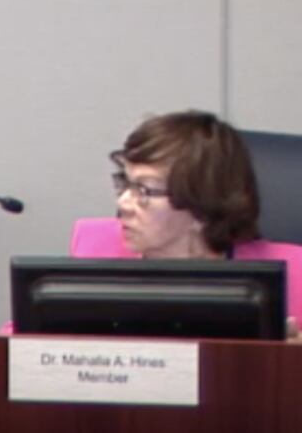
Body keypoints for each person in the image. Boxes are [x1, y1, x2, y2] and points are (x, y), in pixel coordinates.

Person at [70, 109, 302, 333]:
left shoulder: (294, 274)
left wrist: (289, 357)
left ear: (202, 206)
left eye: (144, 190)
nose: (123, 203)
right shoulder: (95, 248)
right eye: (125, 182)